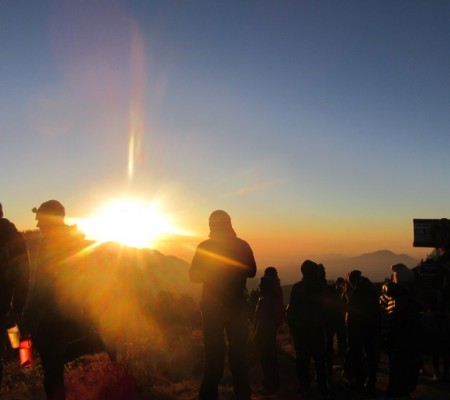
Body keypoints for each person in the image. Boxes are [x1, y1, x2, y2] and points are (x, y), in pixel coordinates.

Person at [22, 200, 92, 399]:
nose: (37, 226)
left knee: (52, 371)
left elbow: (48, 286)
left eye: (41, 221)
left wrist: (31, 314)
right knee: (52, 368)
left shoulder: (57, 244)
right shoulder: (64, 241)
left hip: (54, 318)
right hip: (57, 316)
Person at [189, 210, 257, 400]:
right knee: (239, 359)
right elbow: (252, 271)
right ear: (229, 224)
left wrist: (213, 271)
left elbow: (193, 276)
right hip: (236, 307)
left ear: (211, 226)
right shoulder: (241, 245)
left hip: (212, 308)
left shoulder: (205, 246)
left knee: (213, 360)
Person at [286, 260, 329, 400]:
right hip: (316, 331)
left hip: (301, 332)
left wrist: (293, 329)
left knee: (302, 363)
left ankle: (305, 390)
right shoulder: (320, 288)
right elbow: (326, 310)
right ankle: (323, 389)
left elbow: (291, 312)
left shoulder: (297, 288)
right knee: (320, 362)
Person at [0, 203, 30, 385]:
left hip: (6, 303)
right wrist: (18, 306)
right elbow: (24, 274)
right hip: (7, 304)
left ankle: (25, 366)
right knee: (16, 335)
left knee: (15, 337)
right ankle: (25, 366)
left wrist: (17, 306)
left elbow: (22, 274)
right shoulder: (14, 236)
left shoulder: (10, 236)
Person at [380, 263, 421, 397]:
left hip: (391, 341)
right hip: (405, 342)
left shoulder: (386, 295)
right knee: (405, 373)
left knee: (395, 374)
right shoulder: (406, 299)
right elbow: (410, 323)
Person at [343, 270, 380, 392]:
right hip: (372, 326)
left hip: (357, 328)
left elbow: (350, 310)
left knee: (357, 354)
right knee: (371, 355)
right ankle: (371, 381)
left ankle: (359, 381)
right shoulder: (371, 289)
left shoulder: (356, 293)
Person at [254, 274, 280, 396]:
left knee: (266, 362)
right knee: (272, 361)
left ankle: (268, 387)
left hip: (264, 336)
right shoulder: (273, 300)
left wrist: (257, 335)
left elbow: (260, 320)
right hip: (270, 334)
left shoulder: (263, 301)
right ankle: (274, 386)